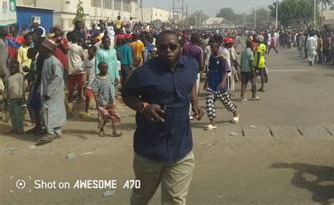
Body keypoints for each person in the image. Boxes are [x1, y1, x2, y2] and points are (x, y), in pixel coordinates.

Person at [122, 30, 204, 205]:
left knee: (175, 200)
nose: (168, 51)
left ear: (180, 47)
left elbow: (189, 84)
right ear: (157, 49)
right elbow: (127, 95)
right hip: (149, 150)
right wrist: (143, 107)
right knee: (140, 198)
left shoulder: (191, 65)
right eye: (163, 47)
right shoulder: (144, 73)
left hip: (181, 150)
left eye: (172, 46)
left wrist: (195, 103)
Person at [37, 39, 66, 145]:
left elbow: (57, 78)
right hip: (48, 89)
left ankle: (50, 132)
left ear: (47, 49)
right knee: (53, 111)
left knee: (48, 111)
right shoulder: (46, 60)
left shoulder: (54, 62)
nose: (39, 49)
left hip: (53, 91)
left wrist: (48, 91)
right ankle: (57, 131)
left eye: (41, 48)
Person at [205, 41, 239, 131]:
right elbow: (210, 69)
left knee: (226, 102)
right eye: (211, 48)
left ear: (218, 48)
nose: (212, 50)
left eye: (213, 48)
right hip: (211, 84)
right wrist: (207, 80)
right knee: (209, 102)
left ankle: (235, 113)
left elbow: (227, 71)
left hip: (220, 85)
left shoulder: (222, 59)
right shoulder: (211, 58)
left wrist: (223, 81)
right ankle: (212, 122)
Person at [90, 62, 121, 137]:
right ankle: (101, 130)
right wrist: (98, 104)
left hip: (111, 100)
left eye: (106, 67)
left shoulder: (109, 76)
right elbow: (95, 93)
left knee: (114, 115)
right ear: (99, 68)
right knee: (103, 117)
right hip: (102, 102)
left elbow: (111, 86)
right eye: (104, 67)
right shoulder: (96, 80)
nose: (106, 69)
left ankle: (115, 131)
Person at [4, 60, 25, 134]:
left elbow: (22, 87)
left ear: (17, 68)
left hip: (17, 98)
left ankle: (20, 129)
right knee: (12, 113)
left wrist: (21, 96)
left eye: (14, 68)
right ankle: (14, 128)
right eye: (11, 68)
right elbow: (6, 88)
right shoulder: (8, 77)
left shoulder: (20, 76)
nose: (12, 69)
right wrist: (5, 97)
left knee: (18, 114)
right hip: (11, 99)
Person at [66, 32, 85, 102]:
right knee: (80, 84)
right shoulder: (79, 48)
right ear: (77, 39)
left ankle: (70, 97)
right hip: (78, 67)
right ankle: (80, 97)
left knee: (71, 84)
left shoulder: (68, 46)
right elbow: (83, 57)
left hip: (70, 67)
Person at [80, 46, 97, 118]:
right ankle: (86, 110)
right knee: (87, 95)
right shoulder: (86, 60)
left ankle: (99, 109)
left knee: (97, 96)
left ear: (94, 52)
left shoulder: (96, 60)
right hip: (89, 81)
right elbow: (82, 69)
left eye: (91, 51)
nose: (89, 52)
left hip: (96, 80)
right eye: (89, 51)